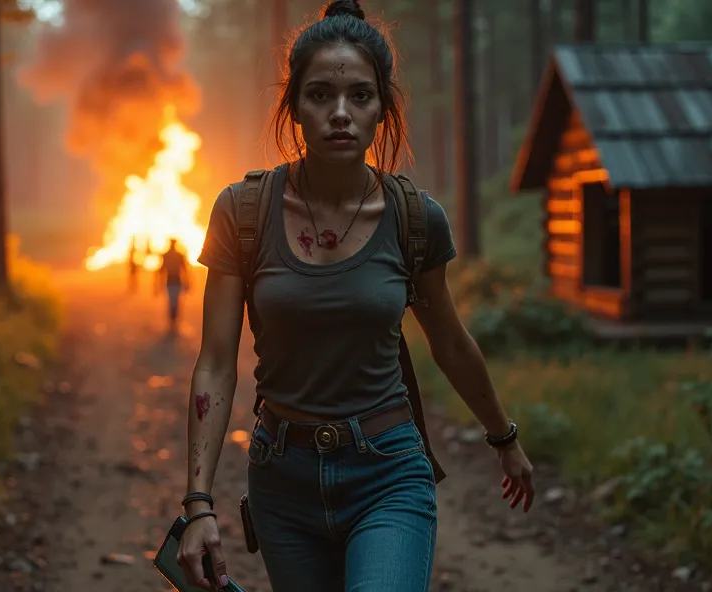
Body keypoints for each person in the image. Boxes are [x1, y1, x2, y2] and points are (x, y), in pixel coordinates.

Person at [177, 2, 535, 591]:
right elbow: (215, 362)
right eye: (319, 95)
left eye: (360, 96)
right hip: (282, 478)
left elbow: (448, 340)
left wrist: (505, 438)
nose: (339, 113)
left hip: (387, 473)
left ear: (382, 108)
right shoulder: (241, 213)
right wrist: (198, 504)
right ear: (293, 108)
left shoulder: (415, 219)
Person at [158, 238, 189, 329]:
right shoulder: (179, 255)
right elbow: (185, 269)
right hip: (175, 281)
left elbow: (161, 270)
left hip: (171, 281)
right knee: (175, 301)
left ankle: (173, 321)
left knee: (172, 301)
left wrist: (158, 284)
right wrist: (188, 282)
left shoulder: (166, 255)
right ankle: (174, 321)